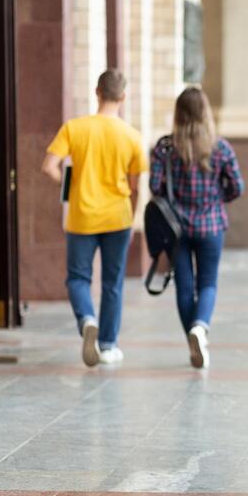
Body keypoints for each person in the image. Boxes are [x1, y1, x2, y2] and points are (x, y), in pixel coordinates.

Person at [42, 69, 148, 367]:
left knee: (78, 277)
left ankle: (87, 319)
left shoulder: (74, 129)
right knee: (113, 282)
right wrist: (131, 211)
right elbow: (137, 185)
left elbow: (49, 166)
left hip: (81, 216)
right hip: (118, 216)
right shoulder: (132, 136)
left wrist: (69, 183)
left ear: (96, 92)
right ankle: (108, 345)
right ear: (123, 97)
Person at [149, 87, 244, 369]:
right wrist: (217, 199)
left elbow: (155, 188)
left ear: (178, 113)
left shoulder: (164, 148)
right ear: (205, 112)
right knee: (208, 283)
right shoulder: (221, 147)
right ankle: (200, 328)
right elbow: (237, 187)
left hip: (176, 228)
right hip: (211, 225)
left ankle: (193, 338)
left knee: (184, 284)